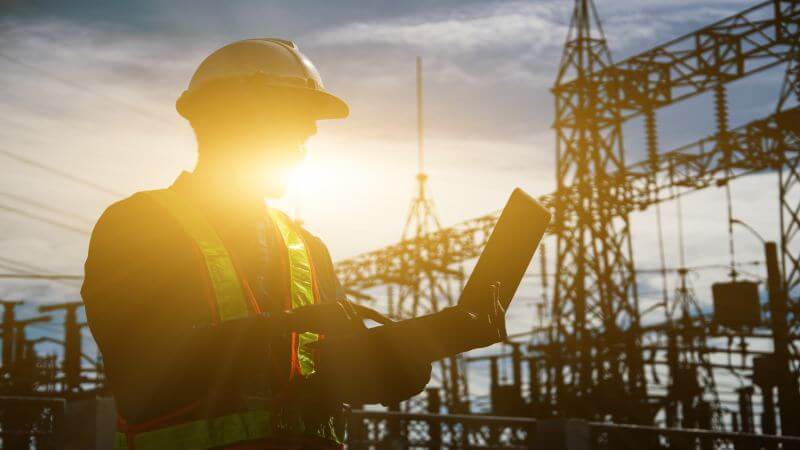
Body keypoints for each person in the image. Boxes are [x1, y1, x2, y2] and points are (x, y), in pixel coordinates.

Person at [82, 38, 505, 450]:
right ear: (229, 120)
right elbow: (146, 360)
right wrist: (289, 323)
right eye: (292, 129)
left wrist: (407, 353)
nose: (303, 150)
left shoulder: (305, 247)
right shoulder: (140, 225)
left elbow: (326, 376)